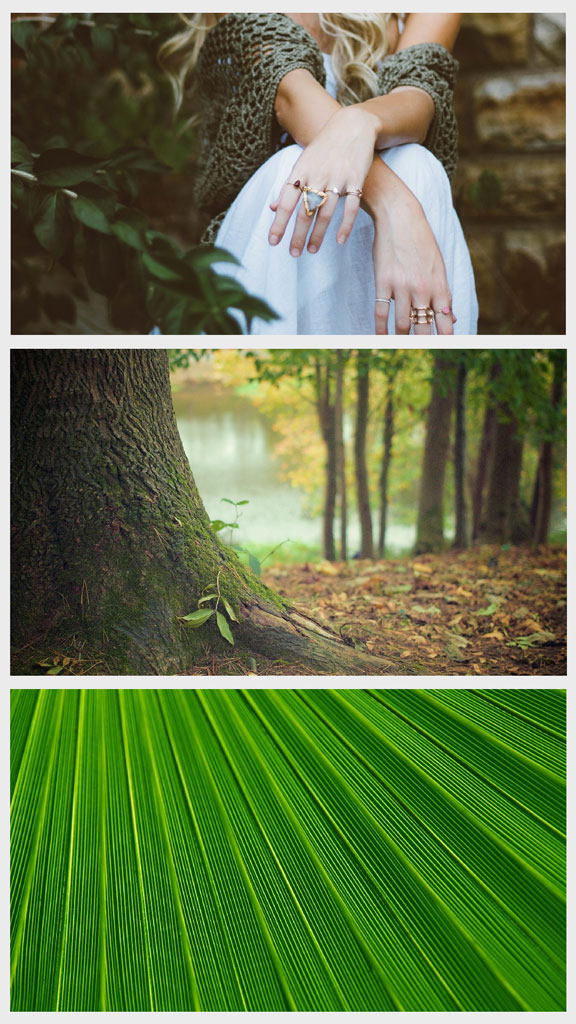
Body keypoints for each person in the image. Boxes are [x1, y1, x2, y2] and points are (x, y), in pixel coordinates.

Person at [159, 13, 478, 335]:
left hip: (367, 253)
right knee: (295, 164)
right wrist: (396, 205)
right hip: (273, 238)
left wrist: (361, 122)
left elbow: (418, 100)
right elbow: (289, 95)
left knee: (415, 164)